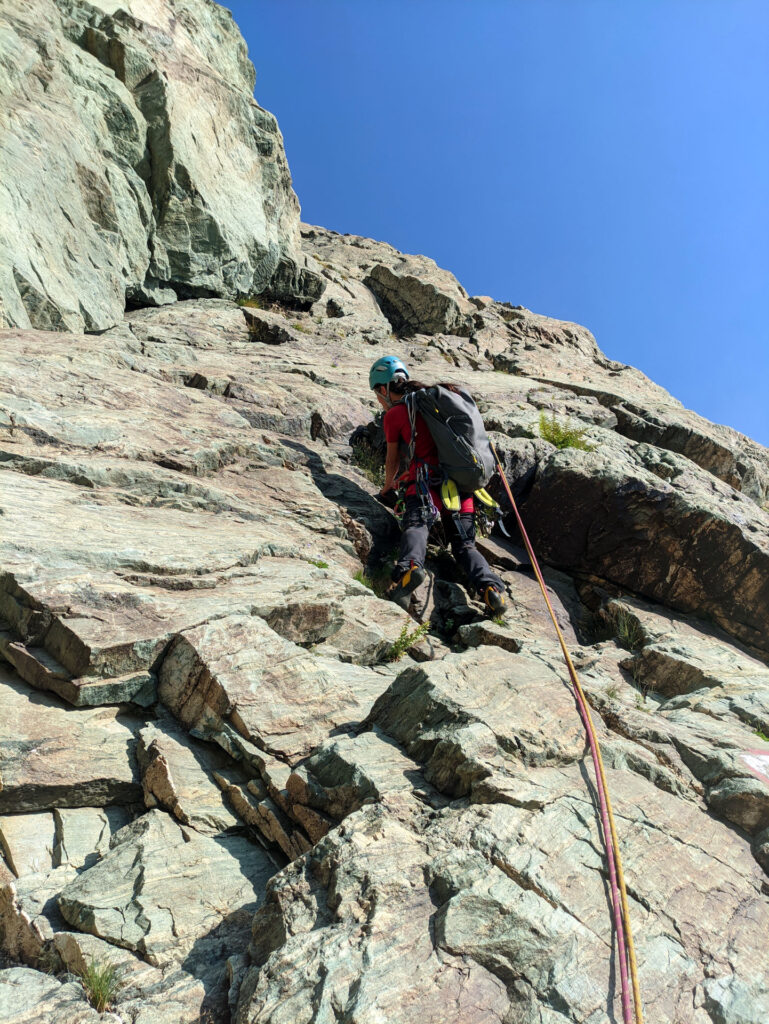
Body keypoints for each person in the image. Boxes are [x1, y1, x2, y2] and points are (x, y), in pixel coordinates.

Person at [369, 355, 507, 614]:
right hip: (461, 489)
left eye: (377, 394)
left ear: (384, 389)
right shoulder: (437, 406)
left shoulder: (396, 414)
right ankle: (490, 588)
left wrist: (387, 487)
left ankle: (410, 569)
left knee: (417, 525)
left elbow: (392, 459)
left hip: (423, 486)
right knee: (465, 546)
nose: (379, 400)